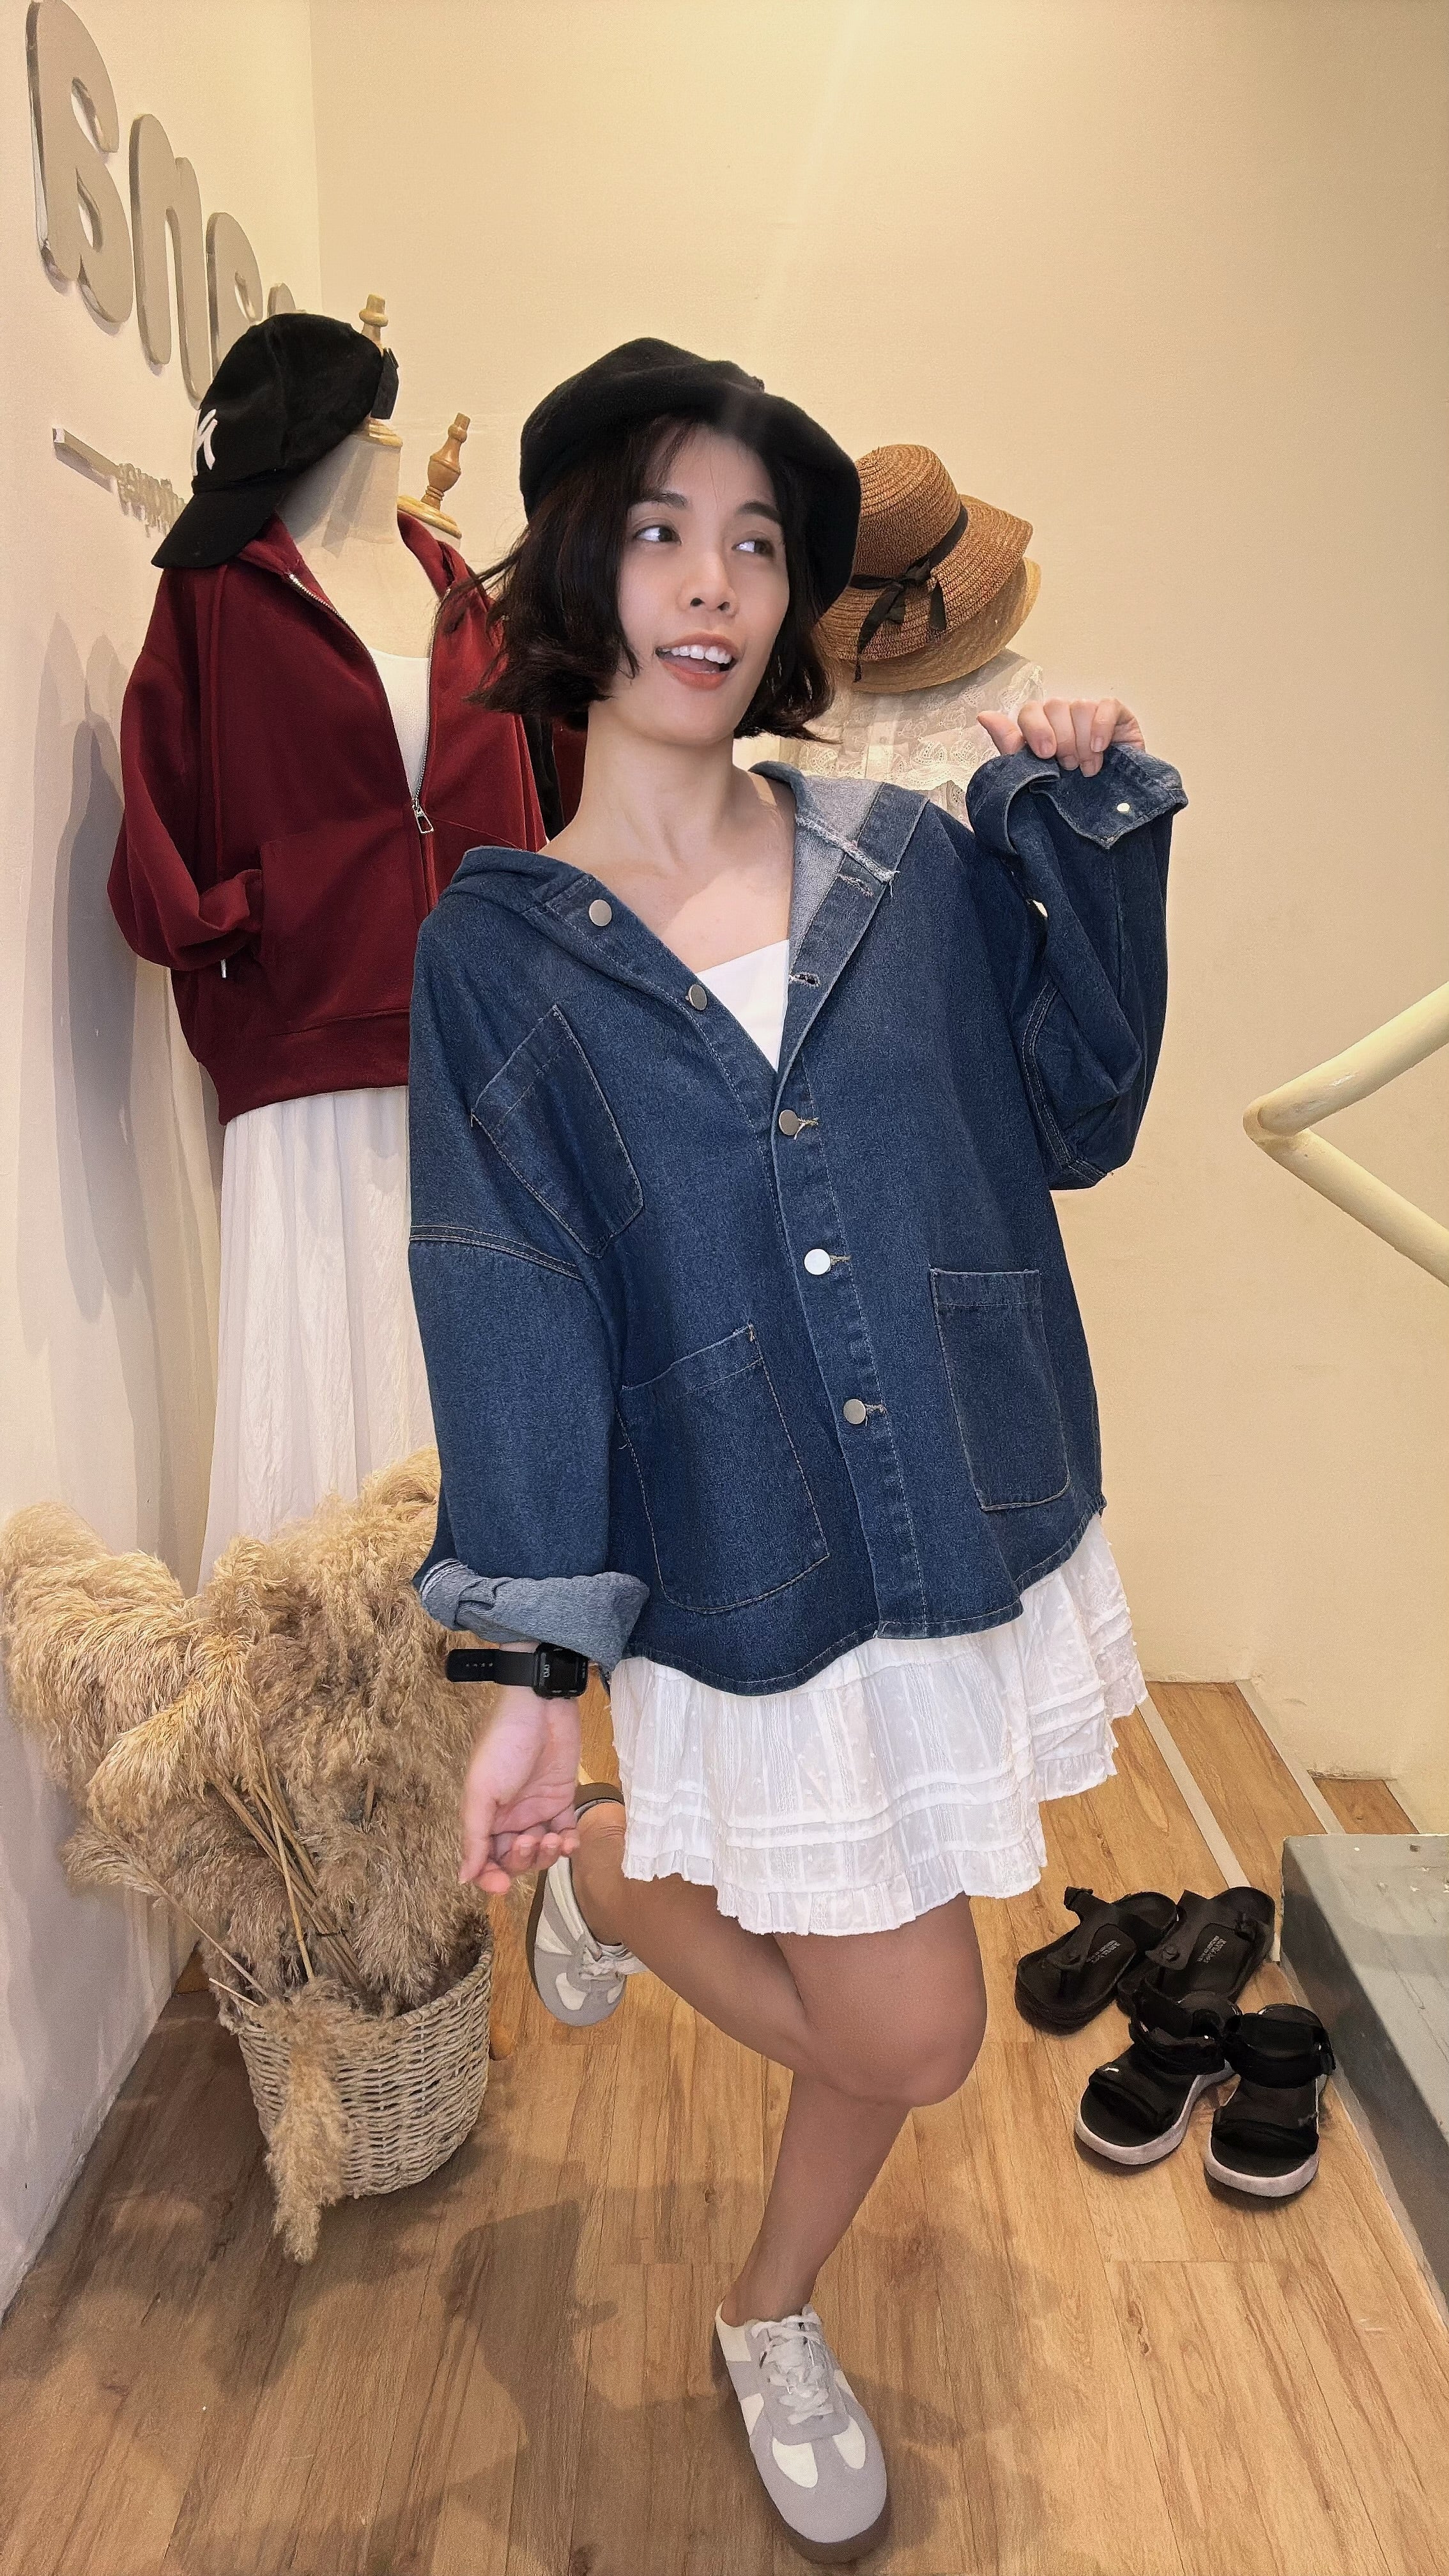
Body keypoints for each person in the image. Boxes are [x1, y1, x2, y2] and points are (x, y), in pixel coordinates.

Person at [407, 339, 1185, 2564]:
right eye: (660, 529)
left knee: (889, 2005)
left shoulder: (905, 860)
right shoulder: (498, 955)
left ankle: (762, 2301)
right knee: (919, 2032)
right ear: (578, 569)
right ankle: (619, 1883)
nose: (710, 583)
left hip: (943, 1506)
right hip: (736, 1549)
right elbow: (511, 1297)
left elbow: (1072, 1120)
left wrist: (1080, 828)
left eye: (755, 543)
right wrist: (528, 1682)